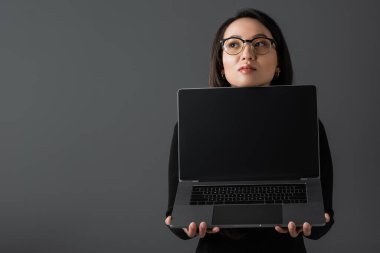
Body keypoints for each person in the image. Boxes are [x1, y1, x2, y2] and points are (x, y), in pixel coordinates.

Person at [165, 8, 334, 253]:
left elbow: (324, 221)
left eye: (260, 43)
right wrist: (182, 225)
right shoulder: (189, 126)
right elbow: (175, 217)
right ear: (221, 65)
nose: (247, 53)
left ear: (278, 62)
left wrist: (315, 223)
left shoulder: (308, 125)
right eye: (234, 44)